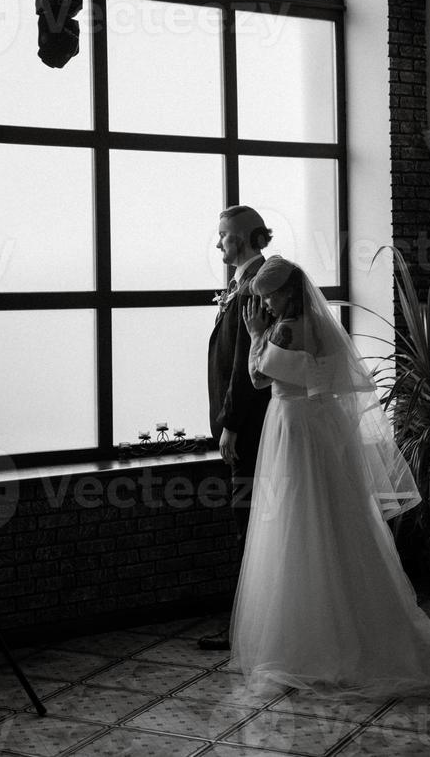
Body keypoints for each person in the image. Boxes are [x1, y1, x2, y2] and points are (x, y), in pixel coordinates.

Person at [230, 255, 430, 696]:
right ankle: (355, 625)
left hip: (296, 430)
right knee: (334, 517)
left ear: (287, 291)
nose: (263, 305)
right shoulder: (318, 327)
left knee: (298, 520)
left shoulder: (285, 330)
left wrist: (253, 336)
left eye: (267, 296)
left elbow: (257, 378)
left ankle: (310, 645)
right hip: (318, 430)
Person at [201, 205, 273, 651]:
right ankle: (253, 625)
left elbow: (245, 370)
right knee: (248, 519)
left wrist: (230, 425)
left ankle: (248, 631)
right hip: (248, 425)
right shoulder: (245, 282)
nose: (218, 244)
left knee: (248, 519)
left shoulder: (255, 286)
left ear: (245, 238)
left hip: (249, 428)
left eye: (224, 235)